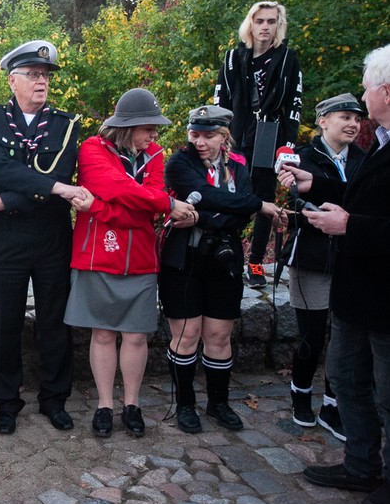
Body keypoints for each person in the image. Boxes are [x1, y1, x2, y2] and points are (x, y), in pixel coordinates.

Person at [288, 44, 390, 504]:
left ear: (385, 92)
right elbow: (366, 195)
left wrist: (350, 226)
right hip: (356, 293)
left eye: (366, 90)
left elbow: (366, 216)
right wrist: (318, 185)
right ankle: (361, 464)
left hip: (384, 298)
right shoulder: (381, 142)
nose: (362, 101)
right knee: (347, 378)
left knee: (388, 393)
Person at [64, 89, 195, 438]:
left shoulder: (155, 154)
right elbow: (118, 188)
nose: (154, 135)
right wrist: (166, 204)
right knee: (103, 333)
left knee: (136, 336)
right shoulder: (93, 148)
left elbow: (141, 205)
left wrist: (99, 209)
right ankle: (105, 405)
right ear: (129, 126)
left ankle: (132, 405)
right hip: (99, 254)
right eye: (149, 128)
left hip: (140, 258)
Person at [0, 40, 85, 435]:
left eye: (45, 76)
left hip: (51, 235)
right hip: (6, 238)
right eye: (33, 75)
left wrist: (5, 199)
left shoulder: (65, 124)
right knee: (3, 323)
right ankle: (7, 403)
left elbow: (59, 173)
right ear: (13, 80)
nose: (41, 82)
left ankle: (54, 399)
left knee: (54, 322)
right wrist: (54, 188)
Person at [160, 106, 286, 434]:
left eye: (208, 135)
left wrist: (203, 215)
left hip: (224, 259)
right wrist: (252, 206)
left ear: (224, 136)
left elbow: (235, 210)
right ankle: (185, 404)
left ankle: (218, 403)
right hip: (184, 259)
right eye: (194, 134)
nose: (199, 142)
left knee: (218, 335)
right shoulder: (179, 163)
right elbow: (215, 197)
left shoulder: (239, 165)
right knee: (186, 334)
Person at [278, 94, 366, 439]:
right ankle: (300, 395)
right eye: (345, 116)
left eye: (357, 118)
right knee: (312, 336)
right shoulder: (301, 158)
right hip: (312, 258)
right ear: (323, 120)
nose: (353, 124)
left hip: (352, 258)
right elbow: (296, 204)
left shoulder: (365, 158)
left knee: (345, 339)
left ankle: (333, 405)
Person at [214, 1, 302, 289]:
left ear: (278, 25)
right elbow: (220, 100)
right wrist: (219, 138)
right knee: (229, 192)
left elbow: (294, 104)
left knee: (264, 197)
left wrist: (287, 146)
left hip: (268, 134)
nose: (265, 26)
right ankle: (226, 254)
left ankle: (255, 262)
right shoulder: (232, 58)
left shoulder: (287, 59)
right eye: (260, 20)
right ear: (250, 24)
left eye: (271, 21)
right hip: (237, 135)